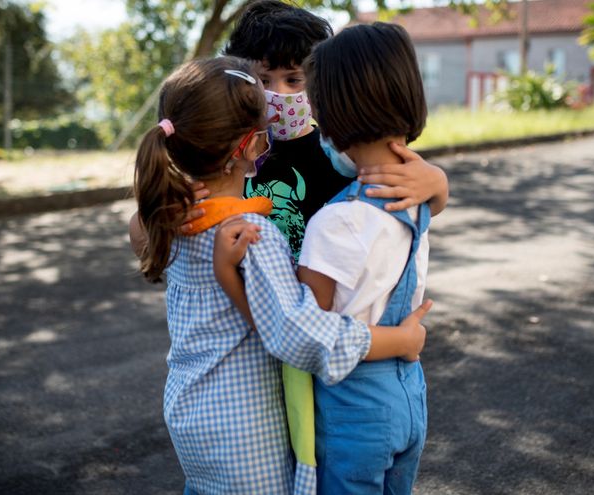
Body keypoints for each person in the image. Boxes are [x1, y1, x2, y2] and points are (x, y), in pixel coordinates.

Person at [133, 56, 431, 495]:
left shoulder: (170, 221)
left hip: (190, 416)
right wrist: (398, 341)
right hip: (245, 430)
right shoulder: (252, 236)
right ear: (251, 145)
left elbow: (141, 232)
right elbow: (297, 332)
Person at [217, 1, 449, 488]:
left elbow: (404, 184)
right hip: (260, 356)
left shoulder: (337, 158)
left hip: (318, 347)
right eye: (263, 80)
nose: (278, 95)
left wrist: (437, 180)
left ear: (323, 92)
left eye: (294, 80)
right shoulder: (234, 157)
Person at [296, 22, 435, 493]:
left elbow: (309, 331)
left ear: (328, 118)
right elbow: (435, 194)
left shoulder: (334, 223)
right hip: (410, 398)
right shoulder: (419, 195)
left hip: (354, 411)